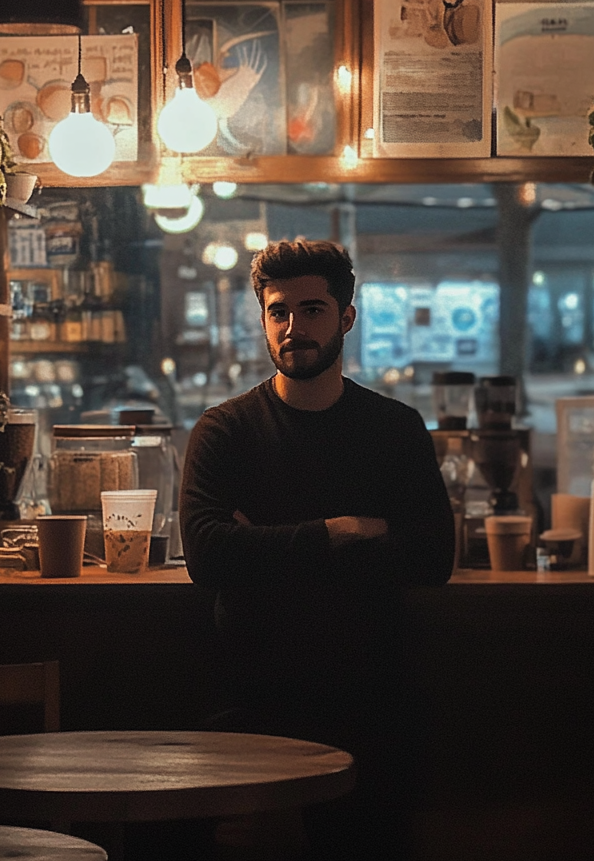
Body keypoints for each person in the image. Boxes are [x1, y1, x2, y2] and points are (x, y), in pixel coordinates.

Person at [180, 238, 455, 859]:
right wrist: (339, 533)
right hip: (251, 699)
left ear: (346, 318)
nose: (293, 327)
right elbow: (205, 554)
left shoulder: (394, 428)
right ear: (262, 320)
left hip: (371, 700)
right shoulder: (224, 430)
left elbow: (432, 557)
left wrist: (261, 546)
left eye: (312, 310)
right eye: (278, 312)